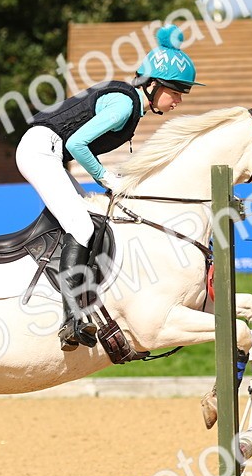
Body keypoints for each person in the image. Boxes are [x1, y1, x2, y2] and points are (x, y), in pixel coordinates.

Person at [17, 24, 203, 350]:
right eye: (175, 91)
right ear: (153, 85)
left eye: (181, 94)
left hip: (47, 152)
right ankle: (72, 319)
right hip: (39, 150)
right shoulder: (124, 104)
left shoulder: (129, 104)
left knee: (87, 216)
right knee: (80, 224)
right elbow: (77, 144)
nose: (178, 100)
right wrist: (106, 178)